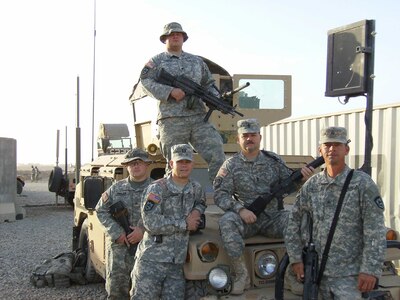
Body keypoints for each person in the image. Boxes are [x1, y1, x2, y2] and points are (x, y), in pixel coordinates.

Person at [213, 118, 314, 295]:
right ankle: (242, 275)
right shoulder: (231, 165)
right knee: (227, 221)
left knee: (300, 219)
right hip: (248, 219)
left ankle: (291, 276)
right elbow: (220, 194)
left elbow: (289, 184)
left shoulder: (274, 161)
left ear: (260, 137)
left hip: (273, 218)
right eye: (245, 136)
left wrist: (302, 179)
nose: (249, 139)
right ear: (238, 139)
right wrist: (240, 210)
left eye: (253, 135)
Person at [285, 126, 386, 299]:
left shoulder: (362, 184)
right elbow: (293, 221)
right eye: (327, 145)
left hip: (349, 277)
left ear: (346, 149)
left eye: (337, 145)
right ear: (320, 150)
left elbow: (375, 229)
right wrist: (295, 259)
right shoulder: (312, 185)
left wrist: (370, 269)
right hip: (317, 275)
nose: (332, 149)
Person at [137, 21, 225, 182]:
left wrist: (214, 98)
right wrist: (169, 91)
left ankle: (221, 194)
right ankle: (173, 199)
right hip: (172, 120)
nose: (175, 36)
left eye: (179, 34)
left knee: (217, 153)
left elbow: (209, 83)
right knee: (174, 163)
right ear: (165, 39)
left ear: (184, 38)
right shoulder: (156, 62)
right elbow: (145, 81)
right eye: (171, 34)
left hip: (198, 117)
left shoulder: (197, 61)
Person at [131, 144, 206, 300]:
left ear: (193, 164)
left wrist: (197, 211)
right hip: (152, 262)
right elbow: (150, 222)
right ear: (172, 164)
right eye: (180, 162)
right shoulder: (157, 189)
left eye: (187, 161)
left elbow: (201, 202)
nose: (184, 165)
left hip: (176, 265)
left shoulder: (195, 188)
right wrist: (184, 224)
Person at [96, 148, 153, 300]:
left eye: (139, 163)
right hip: (120, 249)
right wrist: (117, 233)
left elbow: (164, 214)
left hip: (147, 248)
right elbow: (101, 211)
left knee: (144, 291)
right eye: (132, 163)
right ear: (127, 166)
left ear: (147, 165)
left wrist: (142, 231)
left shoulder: (157, 189)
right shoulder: (116, 188)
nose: (136, 166)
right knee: (117, 291)